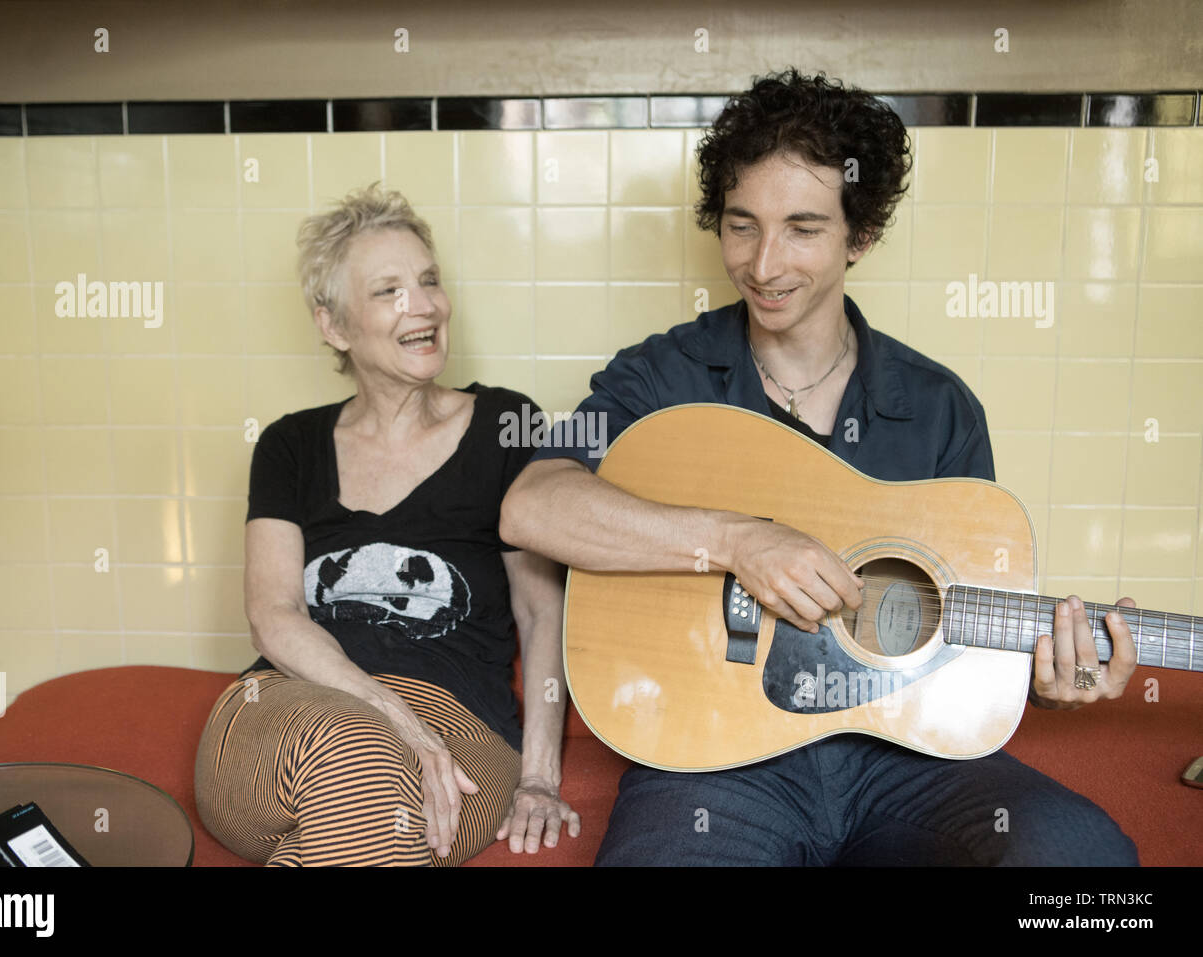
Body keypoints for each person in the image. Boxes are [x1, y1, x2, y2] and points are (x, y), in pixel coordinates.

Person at [499, 68, 1140, 866]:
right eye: (742, 226)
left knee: (1083, 858)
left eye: (802, 227)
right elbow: (532, 506)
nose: (764, 263)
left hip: (907, 761)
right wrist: (739, 542)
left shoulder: (941, 407)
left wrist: (1049, 681)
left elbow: (968, 637)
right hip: (715, 762)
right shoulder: (662, 375)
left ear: (859, 235)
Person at [195, 185, 579, 866]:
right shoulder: (290, 445)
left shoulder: (505, 425)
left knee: (361, 807)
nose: (424, 304)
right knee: (352, 751)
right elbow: (273, 615)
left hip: (461, 728)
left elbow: (541, 610)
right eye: (390, 290)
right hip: (291, 710)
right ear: (335, 326)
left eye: (429, 281)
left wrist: (539, 777)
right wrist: (396, 720)